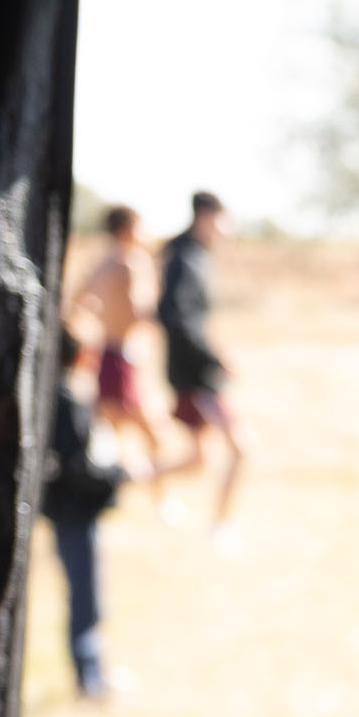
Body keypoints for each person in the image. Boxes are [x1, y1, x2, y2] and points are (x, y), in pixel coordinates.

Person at [65, 204, 184, 499]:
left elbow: (77, 302)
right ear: (129, 228)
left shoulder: (102, 262)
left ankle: (122, 492)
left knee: (109, 432)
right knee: (151, 434)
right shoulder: (132, 263)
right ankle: (159, 495)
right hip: (124, 357)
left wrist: (100, 317)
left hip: (107, 353)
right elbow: (135, 312)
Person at [39, 332, 125, 701]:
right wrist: (114, 476)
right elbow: (77, 467)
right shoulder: (63, 402)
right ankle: (90, 680)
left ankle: (92, 675)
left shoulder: (49, 398)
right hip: (73, 512)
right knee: (85, 597)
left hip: (65, 510)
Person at [158, 192, 248, 533]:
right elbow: (175, 317)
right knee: (241, 448)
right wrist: (214, 358)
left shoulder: (195, 255)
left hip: (196, 372)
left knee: (197, 459)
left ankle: (124, 478)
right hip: (197, 376)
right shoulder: (182, 257)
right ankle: (221, 528)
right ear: (208, 216)